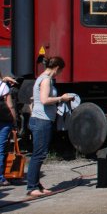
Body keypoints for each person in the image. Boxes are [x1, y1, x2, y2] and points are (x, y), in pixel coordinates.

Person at [26, 56, 74, 197]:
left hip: (40, 119)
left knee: (39, 153)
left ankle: (37, 185)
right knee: (39, 154)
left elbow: (37, 98)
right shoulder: (46, 80)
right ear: (57, 68)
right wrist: (61, 98)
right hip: (42, 120)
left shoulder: (41, 78)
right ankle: (32, 187)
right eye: (61, 71)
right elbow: (44, 99)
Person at [0, 73, 18, 187]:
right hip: (3, 120)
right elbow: (10, 106)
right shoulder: (3, 86)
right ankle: (0, 177)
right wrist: (15, 121)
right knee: (0, 148)